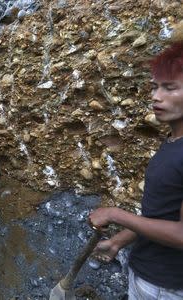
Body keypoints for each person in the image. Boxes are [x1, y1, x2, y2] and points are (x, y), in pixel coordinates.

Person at [89, 39, 183, 299]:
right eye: (154, 87)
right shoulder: (173, 142)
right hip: (150, 276)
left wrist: (115, 214)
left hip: (166, 287)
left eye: (169, 88)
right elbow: (165, 215)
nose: (156, 96)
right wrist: (119, 240)